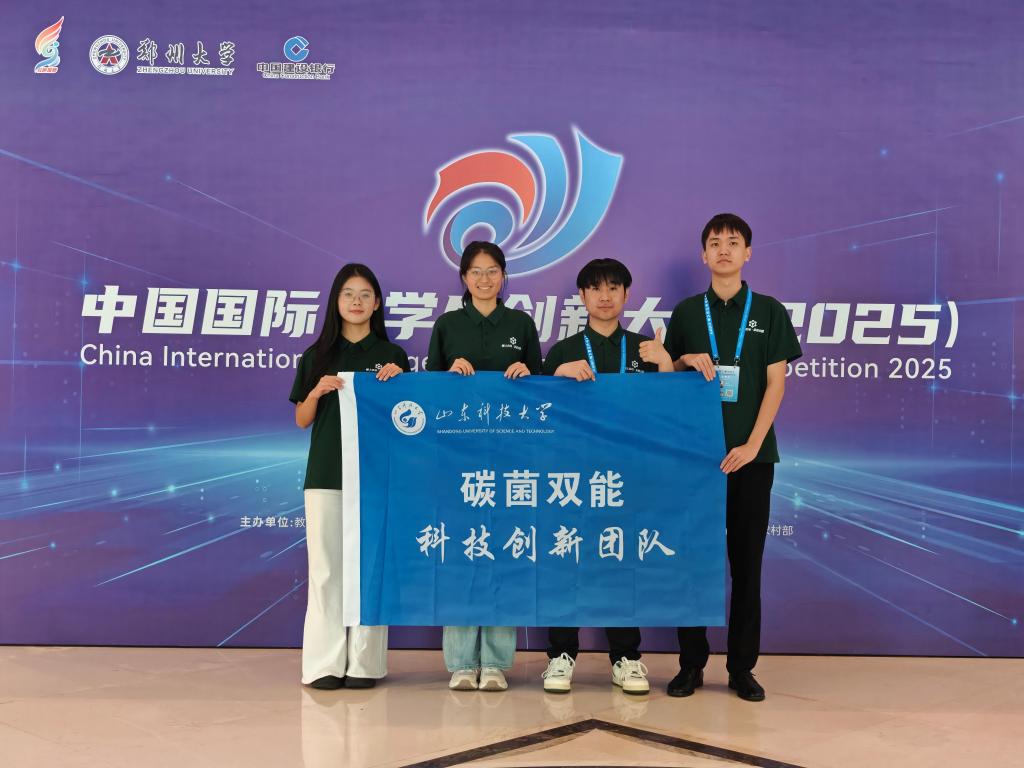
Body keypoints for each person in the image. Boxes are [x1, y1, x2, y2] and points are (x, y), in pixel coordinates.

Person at [662, 213, 802, 702]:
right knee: (692, 564)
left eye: (733, 242)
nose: (724, 249)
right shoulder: (686, 313)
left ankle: (742, 668)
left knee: (747, 566)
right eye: (715, 242)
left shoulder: (768, 311)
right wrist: (682, 360)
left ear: (747, 253)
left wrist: (753, 444)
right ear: (703, 254)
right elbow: (665, 377)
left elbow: (776, 383)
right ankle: (690, 665)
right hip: (694, 462)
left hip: (750, 460)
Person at [540, 257, 674, 695]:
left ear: (626, 295)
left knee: (621, 561)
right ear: (582, 296)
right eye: (595, 288)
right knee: (565, 560)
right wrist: (555, 376)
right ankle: (560, 656)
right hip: (571, 476)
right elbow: (538, 413)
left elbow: (669, 409)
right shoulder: (562, 351)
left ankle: (626, 658)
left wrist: (665, 364)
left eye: (613, 287)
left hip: (627, 475)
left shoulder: (643, 348)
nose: (604, 296)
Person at [426, 240, 542, 692]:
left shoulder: (521, 324)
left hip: (511, 461)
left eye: (492, 270)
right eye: (475, 271)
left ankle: (495, 661)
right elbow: (429, 396)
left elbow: (543, 394)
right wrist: (447, 377)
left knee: (503, 554)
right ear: (463, 278)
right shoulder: (447, 325)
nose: (484, 279)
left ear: (504, 276)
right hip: (458, 460)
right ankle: (460, 662)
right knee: (461, 553)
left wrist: (527, 375)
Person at [290, 263, 410, 690]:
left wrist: (400, 384)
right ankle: (323, 664)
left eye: (365, 295)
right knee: (325, 571)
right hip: (326, 474)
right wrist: (316, 391)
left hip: (376, 477)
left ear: (377, 304)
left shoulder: (393, 356)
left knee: (370, 570)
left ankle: (364, 664)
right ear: (336, 301)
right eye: (348, 294)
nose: (356, 302)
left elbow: (407, 419)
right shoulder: (316, 355)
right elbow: (302, 419)